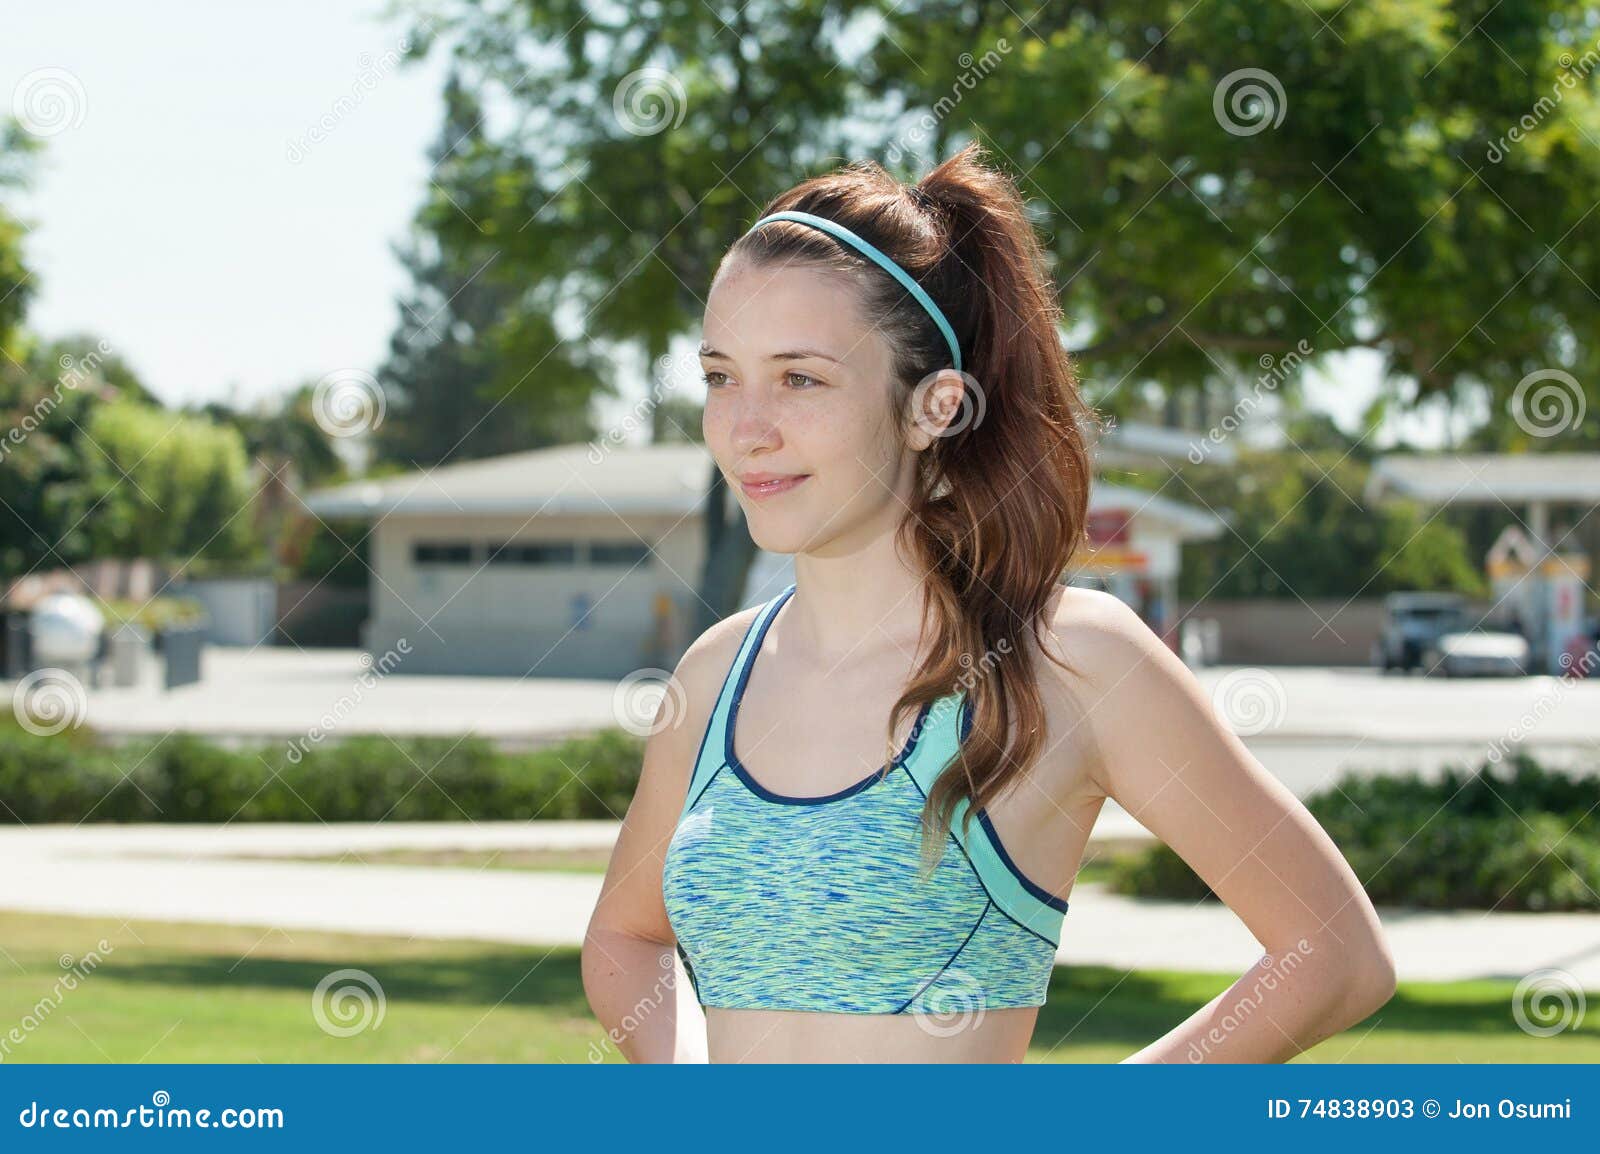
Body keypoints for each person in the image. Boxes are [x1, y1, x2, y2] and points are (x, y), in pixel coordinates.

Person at [581, 143, 1395, 1064]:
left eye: (800, 378)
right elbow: (624, 938)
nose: (746, 427)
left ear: (935, 407)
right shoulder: (715, 671)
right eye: (721, 375)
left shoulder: (1069, 662)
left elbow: (1335, 956)